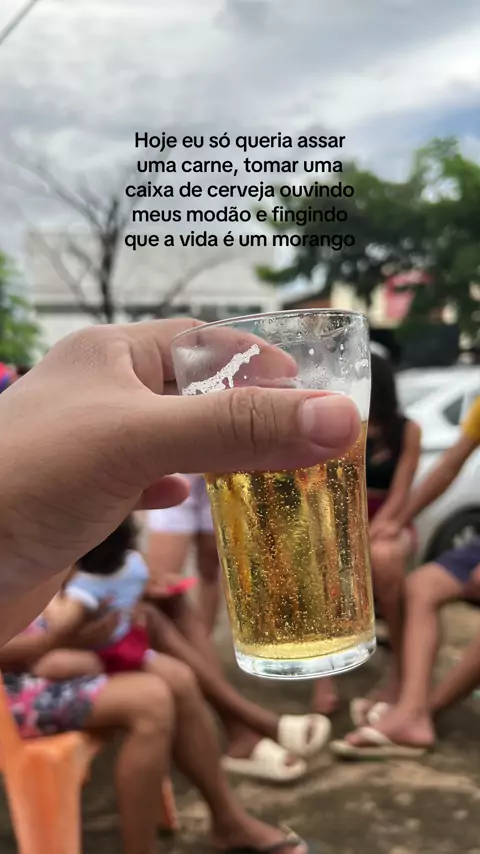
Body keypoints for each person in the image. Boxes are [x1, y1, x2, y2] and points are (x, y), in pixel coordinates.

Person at [36, 516, 331, 781]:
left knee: (169, 607)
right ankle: (250, 723)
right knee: (167, 678)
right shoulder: (96, 576)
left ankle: (243, 730)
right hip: (46, 663)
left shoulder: (87, 580)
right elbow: (51, 634)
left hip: (92, 638)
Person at [3, 614, 313, 854]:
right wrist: (57, 641)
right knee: (151, 702)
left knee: (177, 677)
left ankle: (228, 820)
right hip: (18, 683)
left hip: (55, 648)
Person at [331, 394, 480, 758]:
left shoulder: (405, 431)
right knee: (420, 587)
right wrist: (400, 520)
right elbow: (450, 464)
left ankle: (420, 713)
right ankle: (412, 710)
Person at [313, 352, 421, 718]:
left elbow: (401, 492)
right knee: (324, 565)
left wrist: (376, 528)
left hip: (388, 518)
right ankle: (324, 677)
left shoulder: (407, 431)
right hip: (345, 517)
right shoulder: (344, 427)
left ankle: (401, 671)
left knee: (385, 560)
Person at [148, 474, 221, 633]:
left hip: (221, 473)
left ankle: (203, 641)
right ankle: (169, 643)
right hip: (176, 473)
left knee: (210, 572)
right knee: (162, 582)